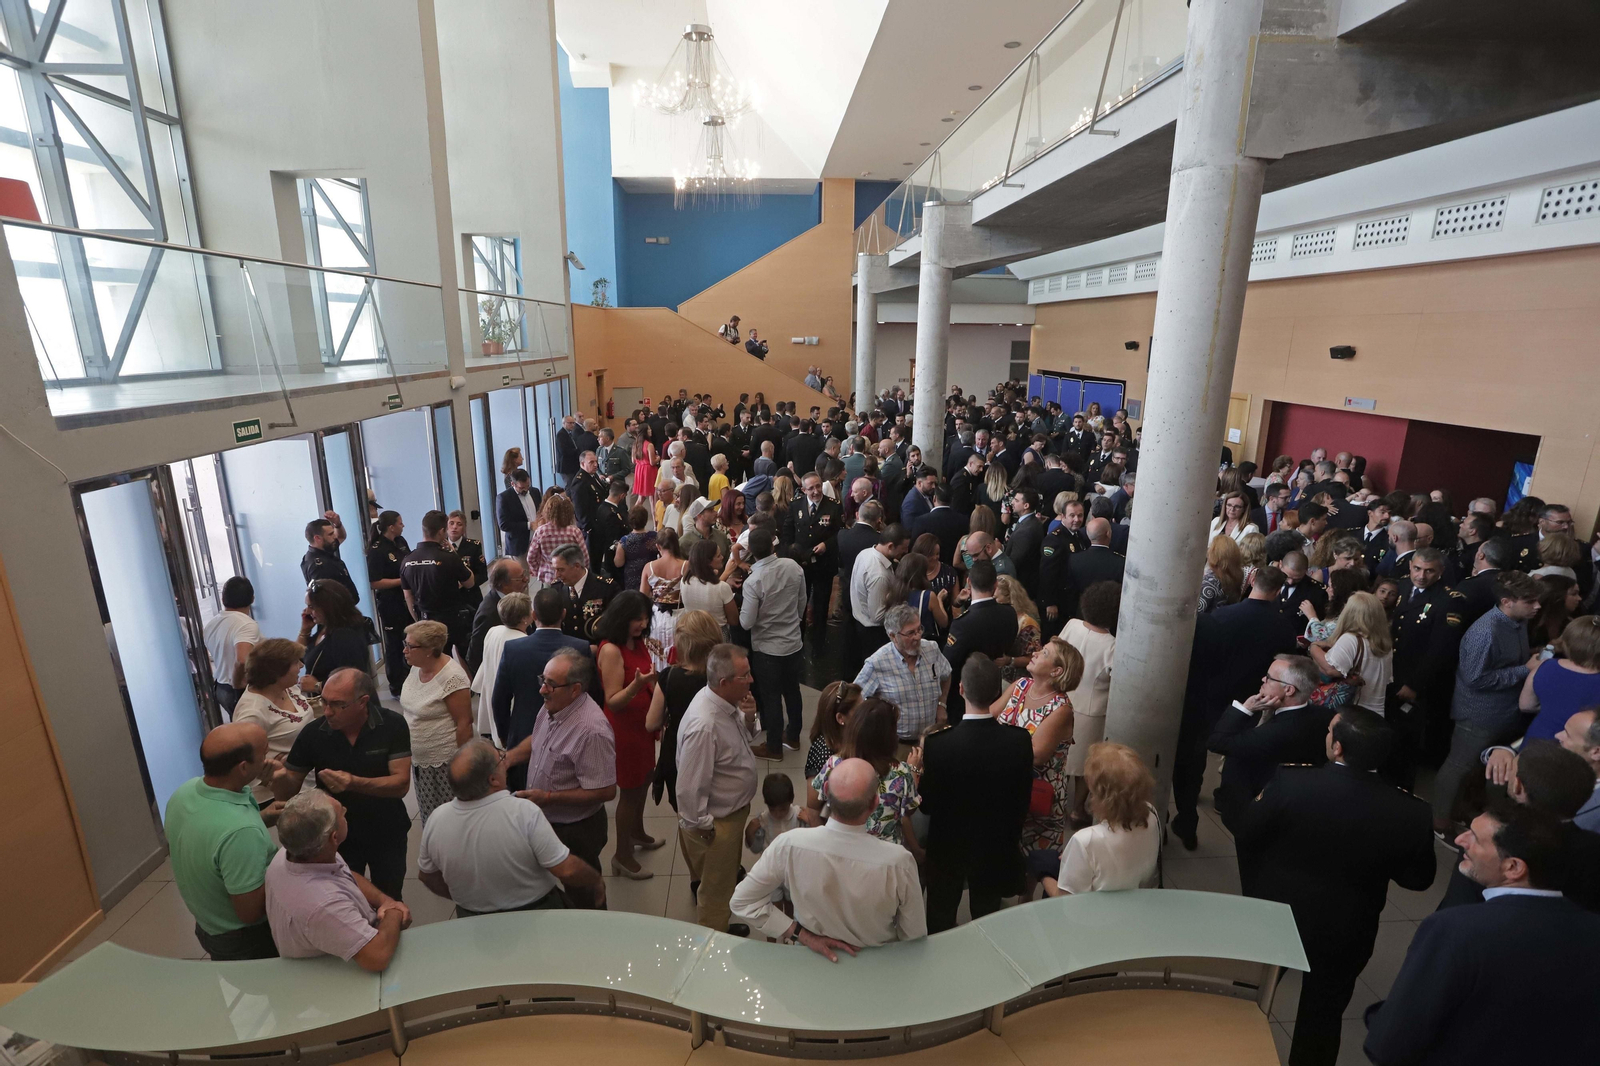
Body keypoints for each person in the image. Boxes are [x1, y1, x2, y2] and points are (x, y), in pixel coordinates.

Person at [1233, 709, 1434, 1066]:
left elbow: (1248, 832)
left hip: (1276, 916)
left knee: (1249, 1000)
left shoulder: (1292, 783)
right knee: (1322, 1017)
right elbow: (1418, 880)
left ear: (1337, 748)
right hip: (1348, 928)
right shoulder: (1412, 812)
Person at [1363, 803, 1600, 1065]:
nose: (1459, 839)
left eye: (1475, 837)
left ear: (1513, 867)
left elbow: (1389, 1043)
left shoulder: (1456, 930)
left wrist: (1379, 1017)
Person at [732, 758, 926, 957]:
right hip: (876, 967)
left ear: (825, 790)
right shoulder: (899, 862)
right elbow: (914, 937)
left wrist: (801, 934)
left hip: (811, 960)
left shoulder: (788, 845)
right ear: (874, 803)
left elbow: (742, 901)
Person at [416, 739, 604, 917]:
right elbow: (567, 870)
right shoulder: (523, 812)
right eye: (501, 760)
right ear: (493, 780)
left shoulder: (436, 820)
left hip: (472, 917)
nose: (504, 762)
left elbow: (426, 876)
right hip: (534, 913)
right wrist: (595, 879)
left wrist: (465, 898)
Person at [272, 668, 411, 900]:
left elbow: (401, 784)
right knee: (343, 897)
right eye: (324, 702)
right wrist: (278, 780)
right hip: (334, 836)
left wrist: (353, 783)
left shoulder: (392, 725)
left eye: (338, 704)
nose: (327, 712)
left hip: (386, 829)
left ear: (363, 702)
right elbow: (288, 791)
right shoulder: (313, 734)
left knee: (390, 895)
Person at [918, 654, 1034, 932]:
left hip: (947, 850)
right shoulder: (1019, 742)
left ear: (960, 689)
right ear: (997, 691)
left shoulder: (938, 745)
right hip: (995, 848)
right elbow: (1022, 801)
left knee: (940, 919)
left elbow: (928, 805)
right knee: (987, 922)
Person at [502, 647, 615, 909]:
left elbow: (606, 790)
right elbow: (541, 741)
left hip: (576, 829)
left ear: (575, 689)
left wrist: (548, 797)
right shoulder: (553, 705)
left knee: (584, 897)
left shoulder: (592, 731)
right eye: (543, 680)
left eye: (551, 684)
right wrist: (509, 758)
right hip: (545, 819)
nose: (542, 689)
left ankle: (592, 943)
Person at [164, 721, 279, 960]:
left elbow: (211, 836)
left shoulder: (184, 793)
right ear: (244, 768)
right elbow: (250, 912)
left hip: (207, 926)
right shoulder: (241, 831)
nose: (269, 758)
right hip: (244, 940)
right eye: (265, 753)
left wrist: (262, 817)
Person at [265, 791, 410, 970]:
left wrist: (383, 900)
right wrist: (394, 911)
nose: (346, 811)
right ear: (334, 837)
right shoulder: (323, 904)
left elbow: (345, 874)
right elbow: (377, 956)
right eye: (342, 813)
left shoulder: (298, 851)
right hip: (339, 978)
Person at [677, 643, 761, 934]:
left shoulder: (720, 701)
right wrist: (705, 828)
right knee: (715, 891)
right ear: (724, 683)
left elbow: (743, 737)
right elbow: (689, 787)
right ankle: (714, 943)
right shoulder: (705, 724)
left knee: (721, 878)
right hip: (717, 823)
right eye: (745, 675)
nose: (751, 679)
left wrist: (750, 717)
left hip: (730, 814)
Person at [1207, 654, 1332, 832]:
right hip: (1294, 809)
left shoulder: (1275, 733)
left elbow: (1217, 742)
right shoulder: (1324, 716)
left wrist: (1245, 709)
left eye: (1269, 677)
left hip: (1255, 812)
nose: (1263, 679)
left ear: (1289, 690)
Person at [594, 591, 662, 879]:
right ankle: (621, 855)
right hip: (625, 730)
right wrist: (638, 686)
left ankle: (637, 832)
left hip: (642, 725)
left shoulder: (636, 641)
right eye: (637, 618)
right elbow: (613, 700)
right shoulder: (610, 650)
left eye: (645, 618)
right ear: (622, 617)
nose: (642, 623)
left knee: (645, 780)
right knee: (630, 791)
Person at [995, 637, 1081, 859]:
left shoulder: (1061, 709)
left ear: (1056, 671)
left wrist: (996, 741)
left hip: (1037, 795)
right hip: (1006, 786)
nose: (1034, 653)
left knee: (1034, 859)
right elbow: (987, 717)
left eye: (1044, 653)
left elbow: (1036, 755)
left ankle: (1028, 895)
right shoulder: (1020, 686)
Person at [1043, 742, 1160, 896]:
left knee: (1042, 860)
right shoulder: (1151, 813)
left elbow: (1065, 899)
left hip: (1095, 916)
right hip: (1138, 902)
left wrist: (1043, 875)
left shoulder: (1085, 840)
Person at [809, 699, 921, 855]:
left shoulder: (833, 764)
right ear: (889, 736)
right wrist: (914, 772)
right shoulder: (902, 773)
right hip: (884, 855)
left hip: (840, 850)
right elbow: (909, 810)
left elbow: (814, 802)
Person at [740, 525, 807, 758]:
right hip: (793, 643)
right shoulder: (793, 567)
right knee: (792, 691)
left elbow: (747, 622)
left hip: (767, 649)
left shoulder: (753, 581)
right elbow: (802, 602)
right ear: (772, 545)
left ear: (750, 551)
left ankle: (774, 747)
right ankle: (794, 736)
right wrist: (792, 621)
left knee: (771, 698)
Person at [398, 619, 473, 825]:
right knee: (430, 817)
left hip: (444, 765)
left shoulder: (452, 678)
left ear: (430, 650)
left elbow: (464, 724)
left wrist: (464, 769)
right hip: (420, 761)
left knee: (447, 821)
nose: (405, 650)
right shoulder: (417, 666)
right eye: (405, 644)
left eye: (410, 646)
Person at [646, 610, 719, 810]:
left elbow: (651, 723)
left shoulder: (669, 677)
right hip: (715, 751)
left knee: (684, 809)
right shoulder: (719, 678)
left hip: (678, 750)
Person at [231, 639, 317, 804]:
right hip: (280, 795)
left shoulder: (287, 687)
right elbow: (243, 763)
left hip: (307, 780)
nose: (301, 665)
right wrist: (270, 771)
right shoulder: (252, 712)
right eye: (295, 662)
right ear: (277, 671)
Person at [1060, 581, 1117, 820]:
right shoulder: (1113, 646)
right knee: (1086, 766)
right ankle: (1077, 809)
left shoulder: (1072, 625)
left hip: (1062, 700)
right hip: (1092, 711)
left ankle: (1055, 801)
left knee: (1061, 759)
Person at [1306, 590, 1393, 716]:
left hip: (1353, 712)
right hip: (1376, 712)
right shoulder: (1385, 644)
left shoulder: (1351, 639)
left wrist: (1313, 647)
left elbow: (1330, 669)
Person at [1520, 616, 1600, 742]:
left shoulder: (1545, 666)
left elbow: (1525, 705)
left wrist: (1553, 708)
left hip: (1537, 740)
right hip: (1578, 748)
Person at [785, 470, 843, 634]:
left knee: (821, 605)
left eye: (818, 486)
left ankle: (819, 643)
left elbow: (840, 533)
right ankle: (800, 637)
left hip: (824, 564)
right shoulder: (795, 505)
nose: (816, 491)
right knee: (799, 605)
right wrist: (789, 554)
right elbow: (788, 532)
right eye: (811, 488)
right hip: (801, 564)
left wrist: (827, 544)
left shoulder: (834, 506)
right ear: (804, 490)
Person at [470, 591, 530, 744]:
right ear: (526, 618)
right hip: (510, 703)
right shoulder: (523, 642)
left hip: (492, 692)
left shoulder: (493, 631)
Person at [297, 580, 370, 695]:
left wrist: (317, 686)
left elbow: (353, 682)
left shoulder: (345, 637)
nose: (307, 611)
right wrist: (305, 630)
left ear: (327, 607)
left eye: (311, 607)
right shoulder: (324, 626)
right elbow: (298, 656)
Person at [203, 576, 260, 716]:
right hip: (237, 689)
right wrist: (238, 685)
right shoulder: (246, 624)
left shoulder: (211, 624)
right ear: (252, 599)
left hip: (220, 687)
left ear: (223, 599)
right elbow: (242, 660)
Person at [468, 556, 529, 677]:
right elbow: (474, 656)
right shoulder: (490, 614)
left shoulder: (513, 600)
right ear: (503, 585)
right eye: (520, 579)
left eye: (524, 575)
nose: (526, 580)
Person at [641, 526, 687, 669]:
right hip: (681, 617)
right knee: (681, 655)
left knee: (657, 657)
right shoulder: (686, 565)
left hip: (657, 618)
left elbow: (642, 597)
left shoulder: (649, 567)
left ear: (658, 546)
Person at [552, 542, 617, 642]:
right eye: (555, 570)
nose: (556, 575)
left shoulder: (607, 588)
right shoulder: (556, 589)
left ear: (577, 566)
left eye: (561, 570)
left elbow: (616, 625)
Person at [527, 493, 588, 587]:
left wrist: (538, 571)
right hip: (571, 576)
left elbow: (531, 557)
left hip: (549, 577)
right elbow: (584, 557)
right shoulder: (574, 531)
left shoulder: (541, 531)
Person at [300, 511, 358, 601]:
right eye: (331, 534)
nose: (335, 536)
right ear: (317, 538)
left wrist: (337, 524)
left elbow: (341, 536)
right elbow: (326, 600)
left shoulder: (324, 550)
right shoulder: (319, 566)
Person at [497, 468, 539, 561]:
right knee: (522, 574)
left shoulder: (535, 492)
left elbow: (541, 512)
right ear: (513, 484)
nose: (526, 490)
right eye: (522, 488)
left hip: (537, 541)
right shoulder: (504, 498)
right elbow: (504, 525)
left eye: (528, 486)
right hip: (519, 545)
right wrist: (529, 525)